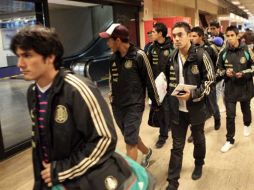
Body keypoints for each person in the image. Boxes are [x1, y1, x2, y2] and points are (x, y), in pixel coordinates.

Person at [10, 25, 150, 190]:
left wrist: (61, 171)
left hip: (81, 180)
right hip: (51, 180)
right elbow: (41, 143)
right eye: (18, 56)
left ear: (49, 57)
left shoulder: (77, 89)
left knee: (130, 140)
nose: (20, 64)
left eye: (27, 55)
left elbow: (105, 139)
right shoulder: (32, 93)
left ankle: (142, 159)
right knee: (130, 137)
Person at [99, 24, 160, 167]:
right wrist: (111, 94)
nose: (107, 43)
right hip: (117, 106)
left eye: (109, 40)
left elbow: (150, 80)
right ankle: (147, 152)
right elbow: (111, 79)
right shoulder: (113, 58)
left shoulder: (139, 55)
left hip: (134, 105)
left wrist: (156, 104)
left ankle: (130, 178)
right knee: (130, 137)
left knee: (130, 144)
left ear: (118, 40)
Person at [166, 22, 215, 190]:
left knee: (198, 139)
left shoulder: (201, 55)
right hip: (177, 109)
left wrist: (193, 94)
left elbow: (210, 81)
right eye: (174, 36)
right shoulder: (172, 56)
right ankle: (172, 181)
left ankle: (199, 163)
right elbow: (168, 80)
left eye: (180, 35)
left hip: (196, 108)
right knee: (177, 146)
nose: (177, 39)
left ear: (189, 35)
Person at [217, 25, 254, 153]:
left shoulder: (247, 50)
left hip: (245, 88)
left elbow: (253, 68)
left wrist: (243, 73)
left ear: (237, 36)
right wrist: (225, 72)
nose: (230, 38)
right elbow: (218, 69)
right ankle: (229, 140)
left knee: (246, 110)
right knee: (230, 116)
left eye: (232, 35)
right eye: (228, 36)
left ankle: (247, 124)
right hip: (230, 89)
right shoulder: (223, 52)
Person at [187, 26, 221, 143]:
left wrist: (215, 76)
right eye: (190, 36)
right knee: (195, 109)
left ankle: (217, 119)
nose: (191, 38)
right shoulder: (190, 50)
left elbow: (217, 62)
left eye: (194, 36)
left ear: (201, 36)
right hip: (196, 84)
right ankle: (194, 131)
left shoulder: (210, 48)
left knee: (212, 104)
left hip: (209, 82)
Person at [146, 22, 174, 148]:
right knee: (160, 110)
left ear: (160, 34)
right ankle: (163, 134)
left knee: (168, 109)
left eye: (153, 32)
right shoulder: (151, 48)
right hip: (156, 86)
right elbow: (147, 66)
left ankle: (166, 131)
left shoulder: (172, 48)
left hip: (170, 86)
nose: (151, 34)